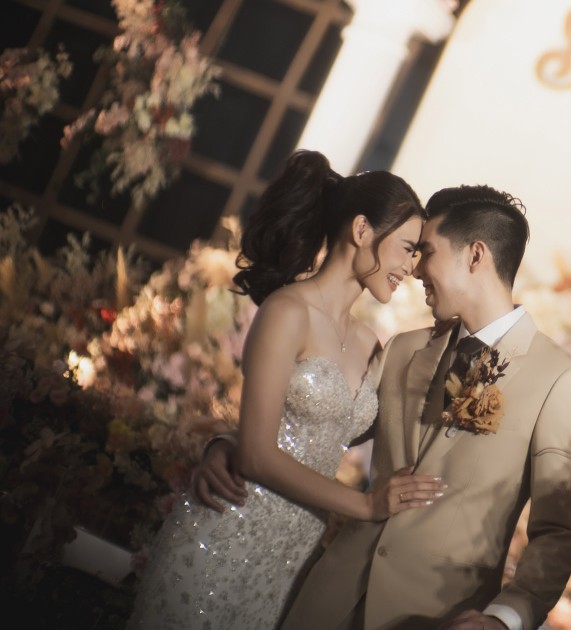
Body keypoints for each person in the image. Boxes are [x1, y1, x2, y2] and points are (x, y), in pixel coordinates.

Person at [194, 185, 571, 630]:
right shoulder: (404, 350)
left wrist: (505, 618)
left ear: (475, 256)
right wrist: (231, 444)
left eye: (428, 252)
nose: (415, 269)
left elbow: (557, 532)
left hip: (439, 617)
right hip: (328, 602)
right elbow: (324, 424)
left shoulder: (561, 380)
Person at [128, 151, 444, 629]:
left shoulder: (371, 344)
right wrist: (366, 505)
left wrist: (223, 442)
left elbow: (333, 432)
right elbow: (257, 455)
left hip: (288, 560)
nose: (410, 267)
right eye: (405, 248)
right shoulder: (287, 312)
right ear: (361, 230)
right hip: (225, 531)